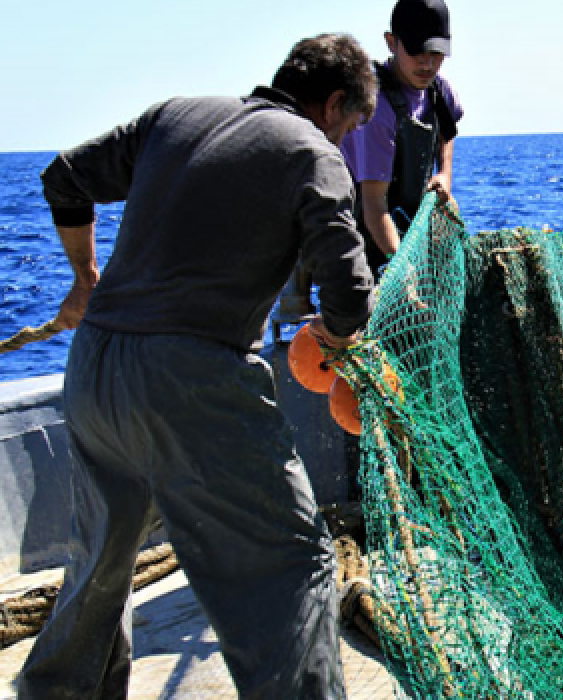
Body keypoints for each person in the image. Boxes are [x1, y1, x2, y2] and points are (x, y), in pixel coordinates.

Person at [17, 33, 378, 699]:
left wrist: (84, 277)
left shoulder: (173, 116)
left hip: (96, 369)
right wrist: (330, 333)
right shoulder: (313, 154)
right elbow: (352, 298)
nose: (348, 141)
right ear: (333, 105)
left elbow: (63, 175)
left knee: (100, 563)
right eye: (353, 126)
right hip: (195, 379)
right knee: (292, 564)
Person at [341, 0, 465, 276]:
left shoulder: (440, 92)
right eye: (416, 50)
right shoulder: (376, 110)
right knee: (358, 309)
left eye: (436, 52)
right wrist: (403, 272)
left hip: (402, 226)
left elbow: (447, 130)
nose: (427, 62)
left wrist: (444, 173)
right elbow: (374, 205)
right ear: (391, 43)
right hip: (360, 232)